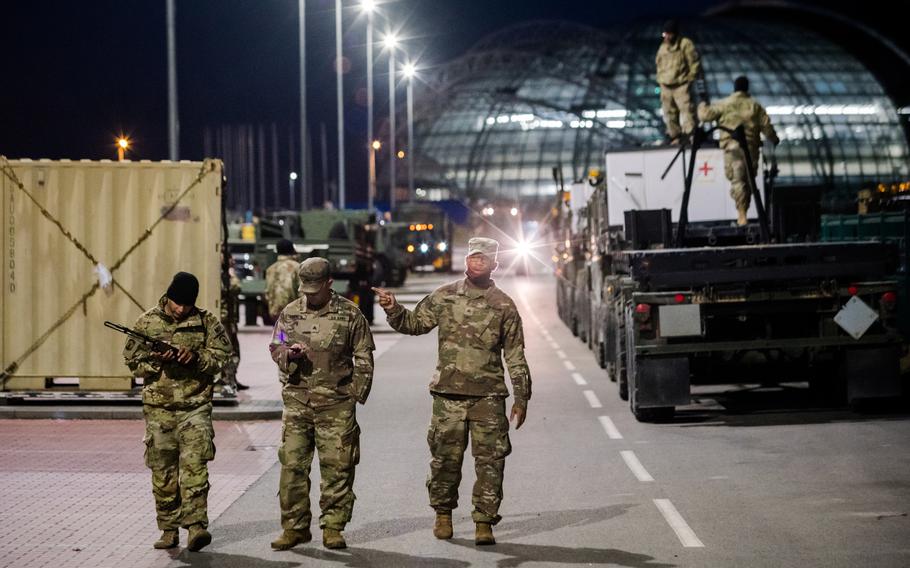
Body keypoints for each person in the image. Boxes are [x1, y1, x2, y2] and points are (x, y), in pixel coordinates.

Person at [373, 237, 531, 546]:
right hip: (448, 396)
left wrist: (522, 396)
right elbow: (414, 323)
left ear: (494, 265)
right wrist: (393, 309)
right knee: (445, 460)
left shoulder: (504, 306)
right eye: (473, 257)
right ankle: (443, 514)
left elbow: (515, 354)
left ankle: (484, 522)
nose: (476, 263)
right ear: (466, 261)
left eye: (483, 259)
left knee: (491, 462)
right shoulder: (444, 297)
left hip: (488, 398)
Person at [269, 257, 375, 551]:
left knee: (337, 469)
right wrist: (288, 354)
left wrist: (355, 393)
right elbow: (275, 345)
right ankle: (295, 528)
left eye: (316, 289)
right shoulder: (290, 312)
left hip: (336, 406)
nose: (310, 294)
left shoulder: (351, 315)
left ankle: (333, 527)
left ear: (330, 284)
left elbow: (364, 357)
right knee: (291, 467)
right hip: (298, 403)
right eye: (306, 289)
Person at [122, 272, 233, 552]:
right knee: (163, 472)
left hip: (195, 406)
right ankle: (168, 529)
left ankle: (196, 527)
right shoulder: (146, 322)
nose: (181, 309)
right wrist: (156, 362)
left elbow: (222, 356)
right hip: (159, 410)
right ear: (167, 295)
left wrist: (195, 358)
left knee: (195, 467)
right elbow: (132, 362)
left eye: (187, 304)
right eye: (177, 303)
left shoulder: (206, 322)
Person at [698, 75, 780, 226]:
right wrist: (775, 139)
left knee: (737, 181)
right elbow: (767, 128)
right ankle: (743, 212)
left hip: (732, 149)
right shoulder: (755, 106)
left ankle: (741, 214)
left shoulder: (724, 104)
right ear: (747, 88)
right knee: (748, 183)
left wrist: (702, 103)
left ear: (734, 88)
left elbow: (704, 115)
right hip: (751, 149)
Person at [655, 19, 701, 144]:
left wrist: (690, 78)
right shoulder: (663, 47)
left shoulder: (685, 44)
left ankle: (690, 135)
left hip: (681, 84)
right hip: (665, 85)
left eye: (669, 34)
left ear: (675, 33)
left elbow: (694, 62)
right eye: (664, 34)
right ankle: (674, 136)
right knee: (668, 112)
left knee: (687, 111)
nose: (666, 37)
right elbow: (658, 63)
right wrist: (660, 80)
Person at [220, 254, 248, 393]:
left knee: (235, 350)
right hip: (224, 319)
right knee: (228, 350)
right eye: (229, 257)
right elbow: (235, 288)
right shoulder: (221, 275)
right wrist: (232, 275)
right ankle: (227, 380)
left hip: (230, 319)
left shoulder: (224, 275)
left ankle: (232, 379)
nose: (232, 261)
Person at [265, 239, 300, 321]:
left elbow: (267, 292)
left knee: (279, 332)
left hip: (275, 312)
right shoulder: (297, 267)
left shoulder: (270, 269)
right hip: (293, 313)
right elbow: (301, 291)